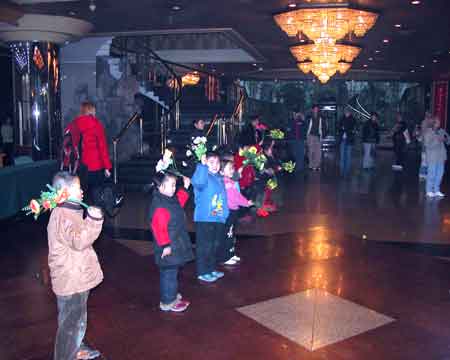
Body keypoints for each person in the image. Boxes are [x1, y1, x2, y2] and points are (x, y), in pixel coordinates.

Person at [47, 172, 104, 360]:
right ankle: (65, 355)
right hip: (71, 281)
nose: (81, 191)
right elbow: (79, 241)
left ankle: (76, 349)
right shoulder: (62, 216)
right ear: (64, 191)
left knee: (75, 320)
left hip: (75, 277)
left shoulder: (68, 211)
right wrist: (94, 221)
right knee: (70, 325)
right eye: (76, 188)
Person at [148, 172, 193, 312]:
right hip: (168, 245)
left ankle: (171, 295)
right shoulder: (160, 206)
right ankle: (168, 301)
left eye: (175, 185)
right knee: (169, 273)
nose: (175, 188)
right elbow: (159, 228)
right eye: (172, 185)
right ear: (161, 187)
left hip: (175, 242)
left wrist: (185, 188)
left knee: (172, 272)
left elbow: (179, 201)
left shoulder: (168, 199)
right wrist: (165, 246)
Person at [191, 151, 229, 283]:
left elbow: (223, 197)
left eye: (217, 162)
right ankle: (202, 271)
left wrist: (225, 213)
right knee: (204, 246)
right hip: (205, 218)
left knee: (214, 244)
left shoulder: (218, 178)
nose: (215, 165)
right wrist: (201, 166)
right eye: (211, 162)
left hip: (217, 217)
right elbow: (198, 182)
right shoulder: (203, 175)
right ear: (205, 162)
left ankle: (211, 268)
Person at [66, 102, 112, 203]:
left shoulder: (74, 124)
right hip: (96, 165)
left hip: (80, 166)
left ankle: (82, 217)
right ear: (92, 111)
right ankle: (96, 217)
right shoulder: (96, 124)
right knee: (97, 195)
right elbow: (102, 148)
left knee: (81, 195)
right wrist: (107, 167)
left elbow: (68, 142)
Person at [219, 159, 252, 265]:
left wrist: (246, 202)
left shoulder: (230, 181)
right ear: (222, 172)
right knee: (227, 234)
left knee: (231, 233)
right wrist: (246, 203)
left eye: (232, 168)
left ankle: (230, 254)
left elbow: (237, 195)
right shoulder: (226, 183)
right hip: (228, 211)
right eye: (229, 168)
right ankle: (225, 256)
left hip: (233, 210)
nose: (232, 170)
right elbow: (234, 197)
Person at [423, 117, 448, 198]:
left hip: (441, 157)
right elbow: (427, 144)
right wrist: (438, 141)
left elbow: (448, 139)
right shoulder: (428, 132)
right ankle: (429, 190)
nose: (439, 123)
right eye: (437, 122)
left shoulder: (442, 131)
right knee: (432, 174)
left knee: (440, 174)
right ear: (433, 123)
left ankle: (436, 190)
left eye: (439, 122)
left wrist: (446, 139)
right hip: (432, 157)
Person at [337, 109, 357, 175]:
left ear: (350, 112)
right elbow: (338, 127)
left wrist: (345, 129)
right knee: (342, 156)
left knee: (348, 156)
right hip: (342, 139)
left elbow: (354, 129)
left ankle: (347, 171)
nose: (347, 112)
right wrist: (342, 128)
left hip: (349, 140)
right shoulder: (341, 119)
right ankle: (342, 170)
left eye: (348, 112)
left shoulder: (353, 120)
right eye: (346, 111)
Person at [306, 105, 325, 171]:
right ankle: (311, 165)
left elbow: (321, 127)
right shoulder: (309, 117)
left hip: (317, 136)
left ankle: (317, 165)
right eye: (315, 109)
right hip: (310, 135)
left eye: (317, 109)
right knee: (311, 151)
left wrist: (322, 136)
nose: (316, 110)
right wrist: (307, 136)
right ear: (312, 110)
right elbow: (307, 127)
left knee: (318, 151)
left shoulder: (320, 117)